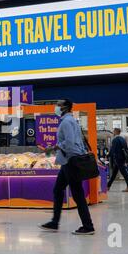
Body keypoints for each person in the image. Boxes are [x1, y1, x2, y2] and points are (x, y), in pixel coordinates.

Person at [39, 99, 95, 235]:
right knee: (58, 190)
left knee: (77, 194)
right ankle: (54, 222)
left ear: (65, 107)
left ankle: (88, 226)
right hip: (67, 161)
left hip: (70, 161)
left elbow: (69, 143)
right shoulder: (72, 121)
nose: (56, 107)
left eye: (58, 104)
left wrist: (54, 147)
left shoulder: (66, 122)